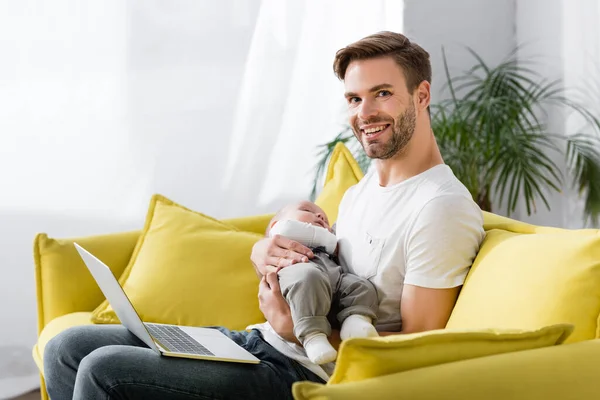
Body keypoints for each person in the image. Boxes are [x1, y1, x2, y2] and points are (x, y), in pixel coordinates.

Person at [43, 31, 485, 400]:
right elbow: (320, 261)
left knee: (104, 369)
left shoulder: (439, 207)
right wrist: (266, 250)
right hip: (261, 343)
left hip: (303, 373)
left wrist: (297, 331)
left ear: (421, 95)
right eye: (353, 98)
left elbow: (418, 349)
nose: (363, 113)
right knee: (67, 347)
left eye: (382, 94)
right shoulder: (363, 189)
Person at [258, 200, 379, 365]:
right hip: (300, 273)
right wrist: (329, 239)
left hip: (334, 278)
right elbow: (285, 228)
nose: (321, 215)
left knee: (360, 286)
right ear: (275, 225)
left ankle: (356, 320)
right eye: (307, 210)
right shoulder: (282, 234)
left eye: (324, 217)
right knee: (308, 277)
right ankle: (313, 337)